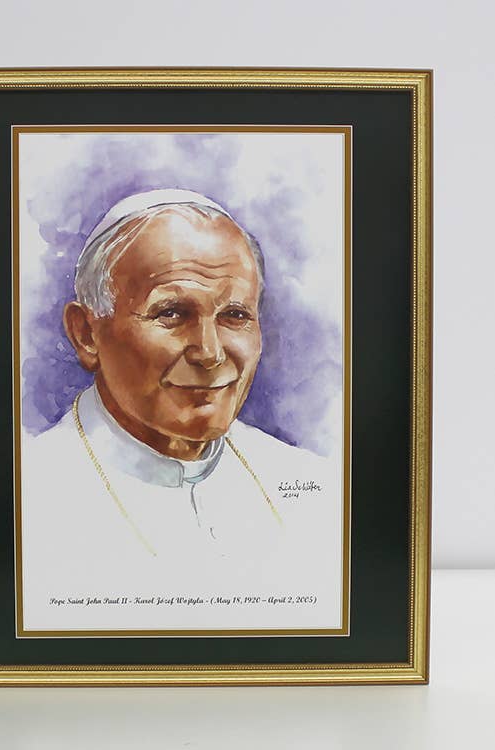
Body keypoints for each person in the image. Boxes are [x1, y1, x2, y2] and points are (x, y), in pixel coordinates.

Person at [19, 189, 341, 633]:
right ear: (87, 334)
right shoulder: (28, 498)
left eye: (235, 315)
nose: (210, 353)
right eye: (171, 313)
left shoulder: (314, 486)